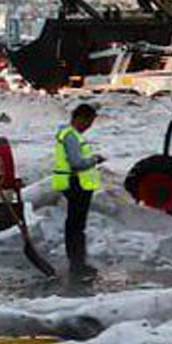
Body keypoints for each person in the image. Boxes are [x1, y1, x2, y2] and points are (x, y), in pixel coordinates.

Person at [53, 102, 105, 280]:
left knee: (74, 226)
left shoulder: (70, 134)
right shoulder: (71, 137)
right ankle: (77, 265)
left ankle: (77, 263)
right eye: (87, 122)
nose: (88, 127)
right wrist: (94, 159)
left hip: (75, 184)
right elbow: (77, 163)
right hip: (76, 184)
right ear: (79, 118)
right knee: (76, 227)